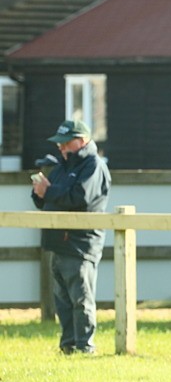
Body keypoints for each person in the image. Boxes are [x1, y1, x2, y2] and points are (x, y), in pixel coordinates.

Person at [30, 119, 111, 355]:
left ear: (82, 141)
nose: (61, 148)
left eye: (66, 143)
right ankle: (68, 346)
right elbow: (51, 197)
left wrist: (49, 191)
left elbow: (80, 198)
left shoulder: (93, 165)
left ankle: (84, 347)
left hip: (80, 243)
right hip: (59, 242)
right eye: (59, 144)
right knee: (63, 300)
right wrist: (39, 193)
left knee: (80, 298)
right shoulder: (63, 166)